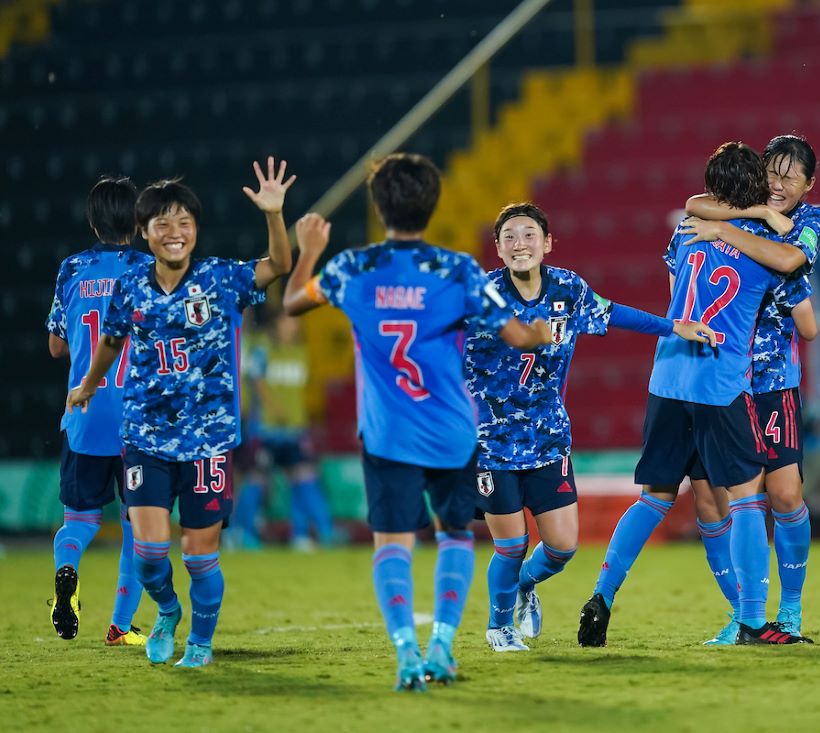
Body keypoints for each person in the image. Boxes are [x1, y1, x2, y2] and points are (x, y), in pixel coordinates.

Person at [283, 153, 552, 691]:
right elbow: (516, 335)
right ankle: (443, 647)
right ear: (431, 206)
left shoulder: (352, 268)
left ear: (379, 206)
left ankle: (406, 653)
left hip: (389, 435)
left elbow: (292, 302)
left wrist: (309, 251)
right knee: (455, 535)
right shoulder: (455, 270)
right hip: (453, 434)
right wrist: (541, 332)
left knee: (392, 543)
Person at [577, 142, 813, 648]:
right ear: (755, 186)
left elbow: (681, 260)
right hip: (721, 382)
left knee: (656, 497)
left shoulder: (686, 233)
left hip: (666, 378)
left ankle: (603, 593)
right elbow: (798, 285)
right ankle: (753, 620)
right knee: (749, 499)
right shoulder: (763, 248)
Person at [66, 158, 296, 666]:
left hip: (209, 440)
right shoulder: (130, 286)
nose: (175, 232)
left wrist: (274, 214)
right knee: (149, 554)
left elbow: (278, 264)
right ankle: (167, 610)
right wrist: (87, 384)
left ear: (196, 230)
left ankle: (200, 640)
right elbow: (109, 340)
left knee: (198, 555)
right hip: (146, 435)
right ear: (145, 233)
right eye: (163, 223)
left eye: (184, 222)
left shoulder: (220, 278)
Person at [467, 202, 715, 653]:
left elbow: (615, 313)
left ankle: (524, 589)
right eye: (509, 237)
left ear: (546, 243)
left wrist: (673, 327)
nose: (519, 244)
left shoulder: (568, 289)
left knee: (562, 547)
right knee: (512, 544)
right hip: (490, 442)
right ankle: (498, 626)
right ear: (498, 250)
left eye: (528, 235)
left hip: (548, 439)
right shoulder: (480, 297)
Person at [676, 134, 820, 642]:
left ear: (809, 184)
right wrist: (754, 215)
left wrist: (728, 227)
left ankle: (790, 610)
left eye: (791, 176)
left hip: (770, 379)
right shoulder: (740, 207)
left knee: (784, 495)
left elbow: (789, 262)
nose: (778, 183)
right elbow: (693, 204)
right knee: (719, 501)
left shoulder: (812, 221)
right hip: (718, 377)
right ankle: (743, 614)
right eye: (772, 171)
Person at [45, 176, 150, 645]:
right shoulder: (150, 269)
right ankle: (120, 625)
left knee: (81, 521)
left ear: (92, 220)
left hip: (84, 412)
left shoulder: (71, 269)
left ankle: (67, 570)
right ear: (137, 221)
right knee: (137, 524)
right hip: (138, 420)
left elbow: (54, 346)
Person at [235, 312, 334, 550]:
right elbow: (255, 381)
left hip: (294, 428)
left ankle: (311, 533)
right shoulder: (263, 348)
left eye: (296, 321)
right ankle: (242, 532)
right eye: (289, 320)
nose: (294, 325)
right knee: (257, 479)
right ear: (277, 323)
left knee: (303, 476)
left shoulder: (301, 351)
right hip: (266, 428)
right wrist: (274, 409)